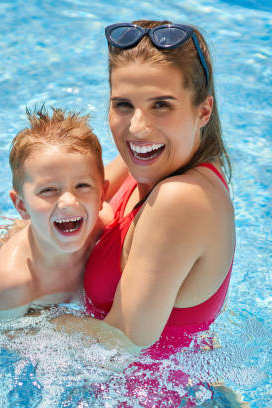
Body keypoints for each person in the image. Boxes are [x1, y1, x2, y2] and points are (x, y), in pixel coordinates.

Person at [54, 19, 235, 357]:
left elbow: (119, 347)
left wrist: (16, 315)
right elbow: (62, 210)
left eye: (161, 105)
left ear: (203, 110)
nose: (137, 128)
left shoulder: (180, 199)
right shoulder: (148, 162)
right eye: (123, 105)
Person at [0, 107, 111, 320]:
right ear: (21, 206)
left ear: (102, 195)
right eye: (49, 190)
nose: (69, 201)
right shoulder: (14, 281)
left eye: (82, 185)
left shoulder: (105, 229)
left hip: (42, 227)